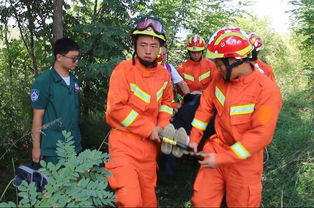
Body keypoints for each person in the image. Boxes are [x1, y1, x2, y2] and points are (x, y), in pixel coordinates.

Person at [188, 26, 283, 207]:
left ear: (235, 60)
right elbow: (205, 106)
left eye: (219, 63)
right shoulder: (220, 78)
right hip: (216, 148)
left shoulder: (267, 91)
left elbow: (260, 135)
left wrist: (223, 159)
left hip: (245, 160)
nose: (216, 68)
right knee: (202, 201)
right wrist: (194, 138)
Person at [105, 16, 174, 207]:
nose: (148, 50)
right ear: (135, 44)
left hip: (150, 150)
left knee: (149, 202)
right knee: (130, 201)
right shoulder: (123, 71)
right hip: (124, 146)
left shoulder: (164, 74)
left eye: (153, 46)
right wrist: (148, 128)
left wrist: (161, 127)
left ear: (160, 47)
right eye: (143, 45)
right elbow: (115, 109)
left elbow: (168, 103)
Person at [30, 37, 82, 165]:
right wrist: (36, 147)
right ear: (59, 57)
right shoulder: (44, 81)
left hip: (74, 145)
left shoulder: (74, 81)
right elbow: (38, 116)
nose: (77, 61)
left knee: (76, 184)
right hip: (53, 150)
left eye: (78, 58)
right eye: (73, 58)